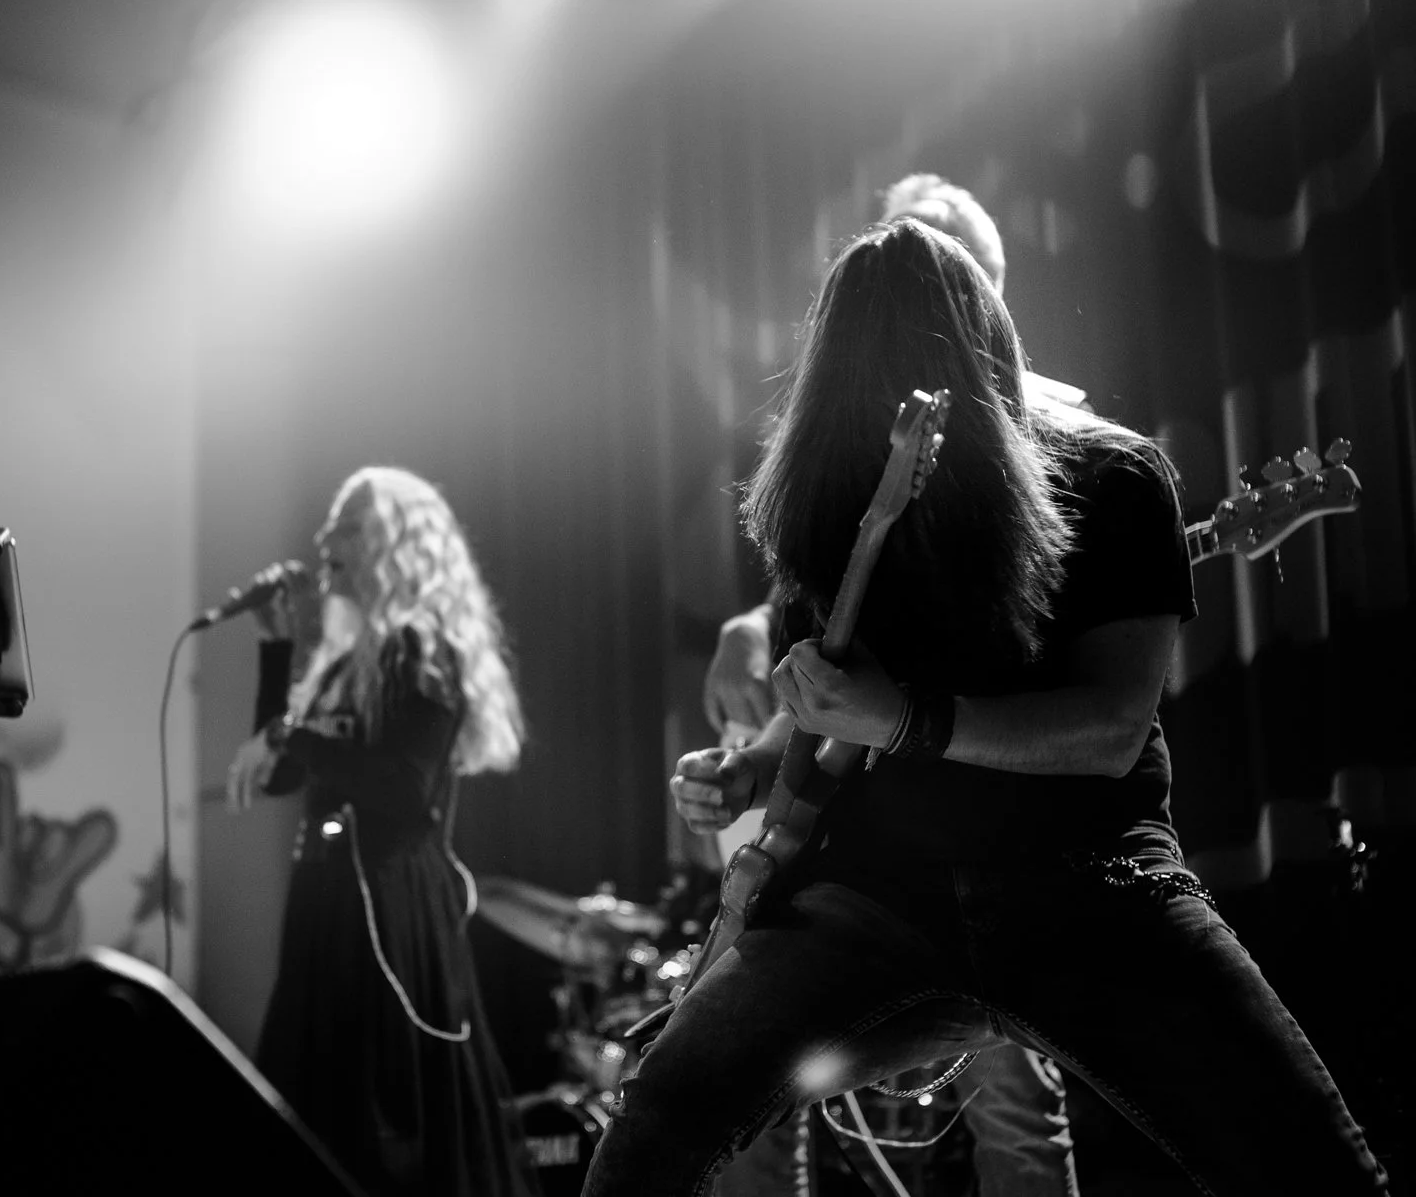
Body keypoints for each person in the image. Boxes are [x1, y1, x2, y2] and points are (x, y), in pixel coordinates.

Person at [580, 218, 1388, 1196]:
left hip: (1091, 888)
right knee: (657, 1116)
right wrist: (748, 770)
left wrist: (908, 719)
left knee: (1312, 1169)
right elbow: (828, 696)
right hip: (877, 899)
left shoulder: (1115, 476)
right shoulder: (835, 503)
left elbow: (1110, 731)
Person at [704, 173, 1079, 1196]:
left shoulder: (1063, 441)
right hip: (859, 827)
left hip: (992, 834)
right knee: (744, 1074)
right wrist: (750, 636)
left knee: (1016, 1103)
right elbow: (820, 602)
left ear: (991, 295)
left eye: (945, 279)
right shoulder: (854, 437)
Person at [225, 466, 539, 1197]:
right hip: (327, 905)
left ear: (397, 545)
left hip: (388, 913)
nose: (324, 539)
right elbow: (279, 776)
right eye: (329, 524)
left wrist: (289, 736)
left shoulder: (420, 649)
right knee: (314, 1111)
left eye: (348, 526)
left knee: (387, 1127)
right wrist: (276, 652)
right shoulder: (346, 658)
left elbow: (402, 790)